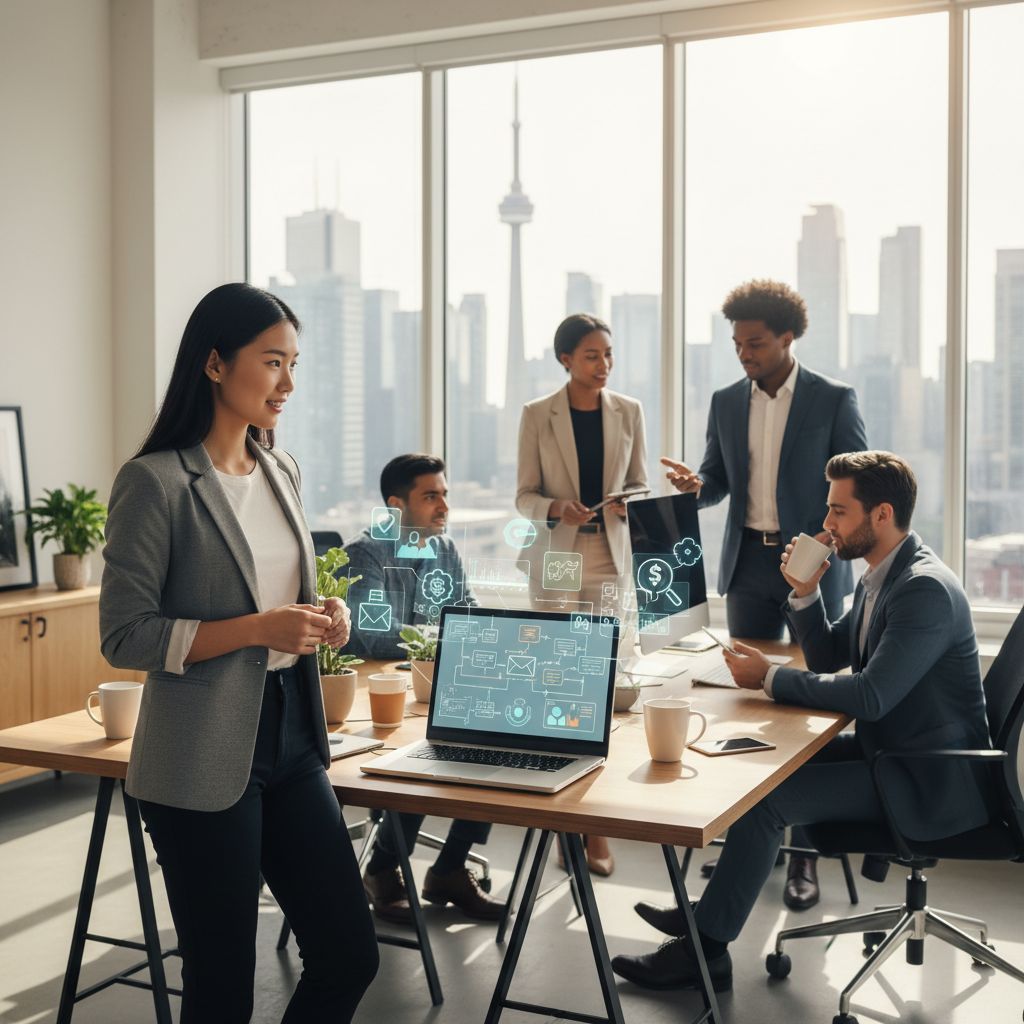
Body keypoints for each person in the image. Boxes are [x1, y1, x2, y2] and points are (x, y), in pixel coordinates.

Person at [612, 451, 993, 993]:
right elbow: (827, 656)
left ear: (881, 514)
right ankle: (711, 919)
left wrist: (768, 678)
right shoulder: (882, 574)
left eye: (839, 512)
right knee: (762, 770)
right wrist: (806, 589)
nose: (826, 526)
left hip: (926, 775)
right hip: (891, 752)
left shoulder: (922, 589)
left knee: (769, 802)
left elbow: (871, 695)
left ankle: (705, 953)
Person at [99, 284, 378, 1023]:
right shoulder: (155, 482)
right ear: (216, 364)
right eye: (273, 362)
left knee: (350, 953)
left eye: (294, 363)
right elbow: (125, 634)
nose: (289, 383)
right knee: (222, 986)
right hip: (196, 755)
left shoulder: (279, 469)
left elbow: (280, 597)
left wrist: (324, 616)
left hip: (291, 737)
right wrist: (257, 629)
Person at [661, 279, 868, 908]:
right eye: (736, 343)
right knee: (743, 699)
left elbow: (856, 480)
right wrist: (698, 487)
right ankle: (747, 833)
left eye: (754, 343)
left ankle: (803, 854)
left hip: (810, 562)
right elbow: (719, 481)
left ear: (787, 337)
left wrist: (824, 550)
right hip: (748, 561)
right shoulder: (726, 401)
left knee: (810, 706)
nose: (743, 353)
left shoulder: (832, 398)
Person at [345, 453, 505, 924]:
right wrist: (441, 636)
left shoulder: (445, 549)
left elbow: (467, 610)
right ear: (396, 506)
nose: (444, 506)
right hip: (376, 691)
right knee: (423, 753)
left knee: (497, 737)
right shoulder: (366, 552)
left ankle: (451, 868)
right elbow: (369, 635)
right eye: (430, 496)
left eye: (445, 494)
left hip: (432, 683)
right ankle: (381, 868)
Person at [516, 313, 649, 877]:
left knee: (596, 692)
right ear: (565, 358)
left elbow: (640, 482)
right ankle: (556, 818)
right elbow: (523, 495)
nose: (604, 365)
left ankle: (593, 830)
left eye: (609, 355)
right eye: (592, 355)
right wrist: (554, 508)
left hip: (608, 558)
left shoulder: (630, 412)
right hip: (559, 554)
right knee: (554, 691)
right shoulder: (536, 415)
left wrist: (626, 503)